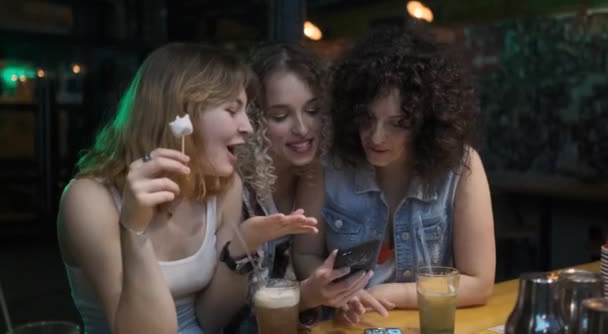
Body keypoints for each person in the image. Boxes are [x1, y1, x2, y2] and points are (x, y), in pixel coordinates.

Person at [56, 43, 318, 334]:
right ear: (181, 114)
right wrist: (134, 229)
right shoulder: (89, 198)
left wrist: (243, 247)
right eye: (232, 110)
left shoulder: (224, 187)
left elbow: (210, 321)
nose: (248, 127)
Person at [323, 25, 496, 322]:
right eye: (367, 118)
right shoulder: (331, 165)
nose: (376, 137)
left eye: (397, 123)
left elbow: (479, 282)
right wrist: (337, 290)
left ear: (426, 122)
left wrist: (385, 295)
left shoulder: (461, 166)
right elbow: (306, 257)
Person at [231, 42, 388, 332]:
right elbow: (231, 311)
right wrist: (309, 295)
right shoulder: (235, 187)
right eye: (280, 116)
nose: (302, 128)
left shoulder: (322, 171)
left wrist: (340, 289)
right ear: (253, 119)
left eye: (313, 110)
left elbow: (312, 260)